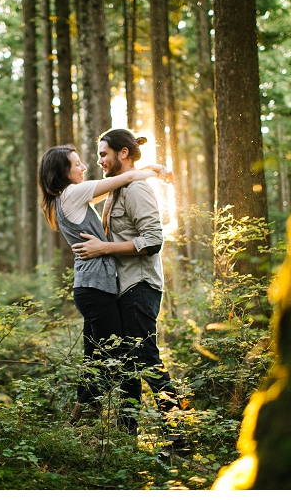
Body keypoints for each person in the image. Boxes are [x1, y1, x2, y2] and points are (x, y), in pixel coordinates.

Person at [71, 128, 190, 454]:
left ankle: (179, 439)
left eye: (104, 154)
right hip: (121, 289)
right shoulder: (118, 190)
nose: (99, 161)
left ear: (123, 153)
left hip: (140, 286)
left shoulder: (137, 189)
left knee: (146, 358)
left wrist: (104, 249)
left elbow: (153, 241)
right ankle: (127, 440)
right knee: (127, 365)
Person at [38, 144, 165, 424]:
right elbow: (123, 180)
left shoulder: (67, 197)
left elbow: (112, 189)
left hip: (93, 288)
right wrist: (151, 171)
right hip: (95, 288)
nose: (84, 167)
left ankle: (85, 424)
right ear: (63, 173)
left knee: (97, 358)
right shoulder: (72, 193)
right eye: (76, 165)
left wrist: (138, 174)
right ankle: (83, 422)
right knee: (117, 353)